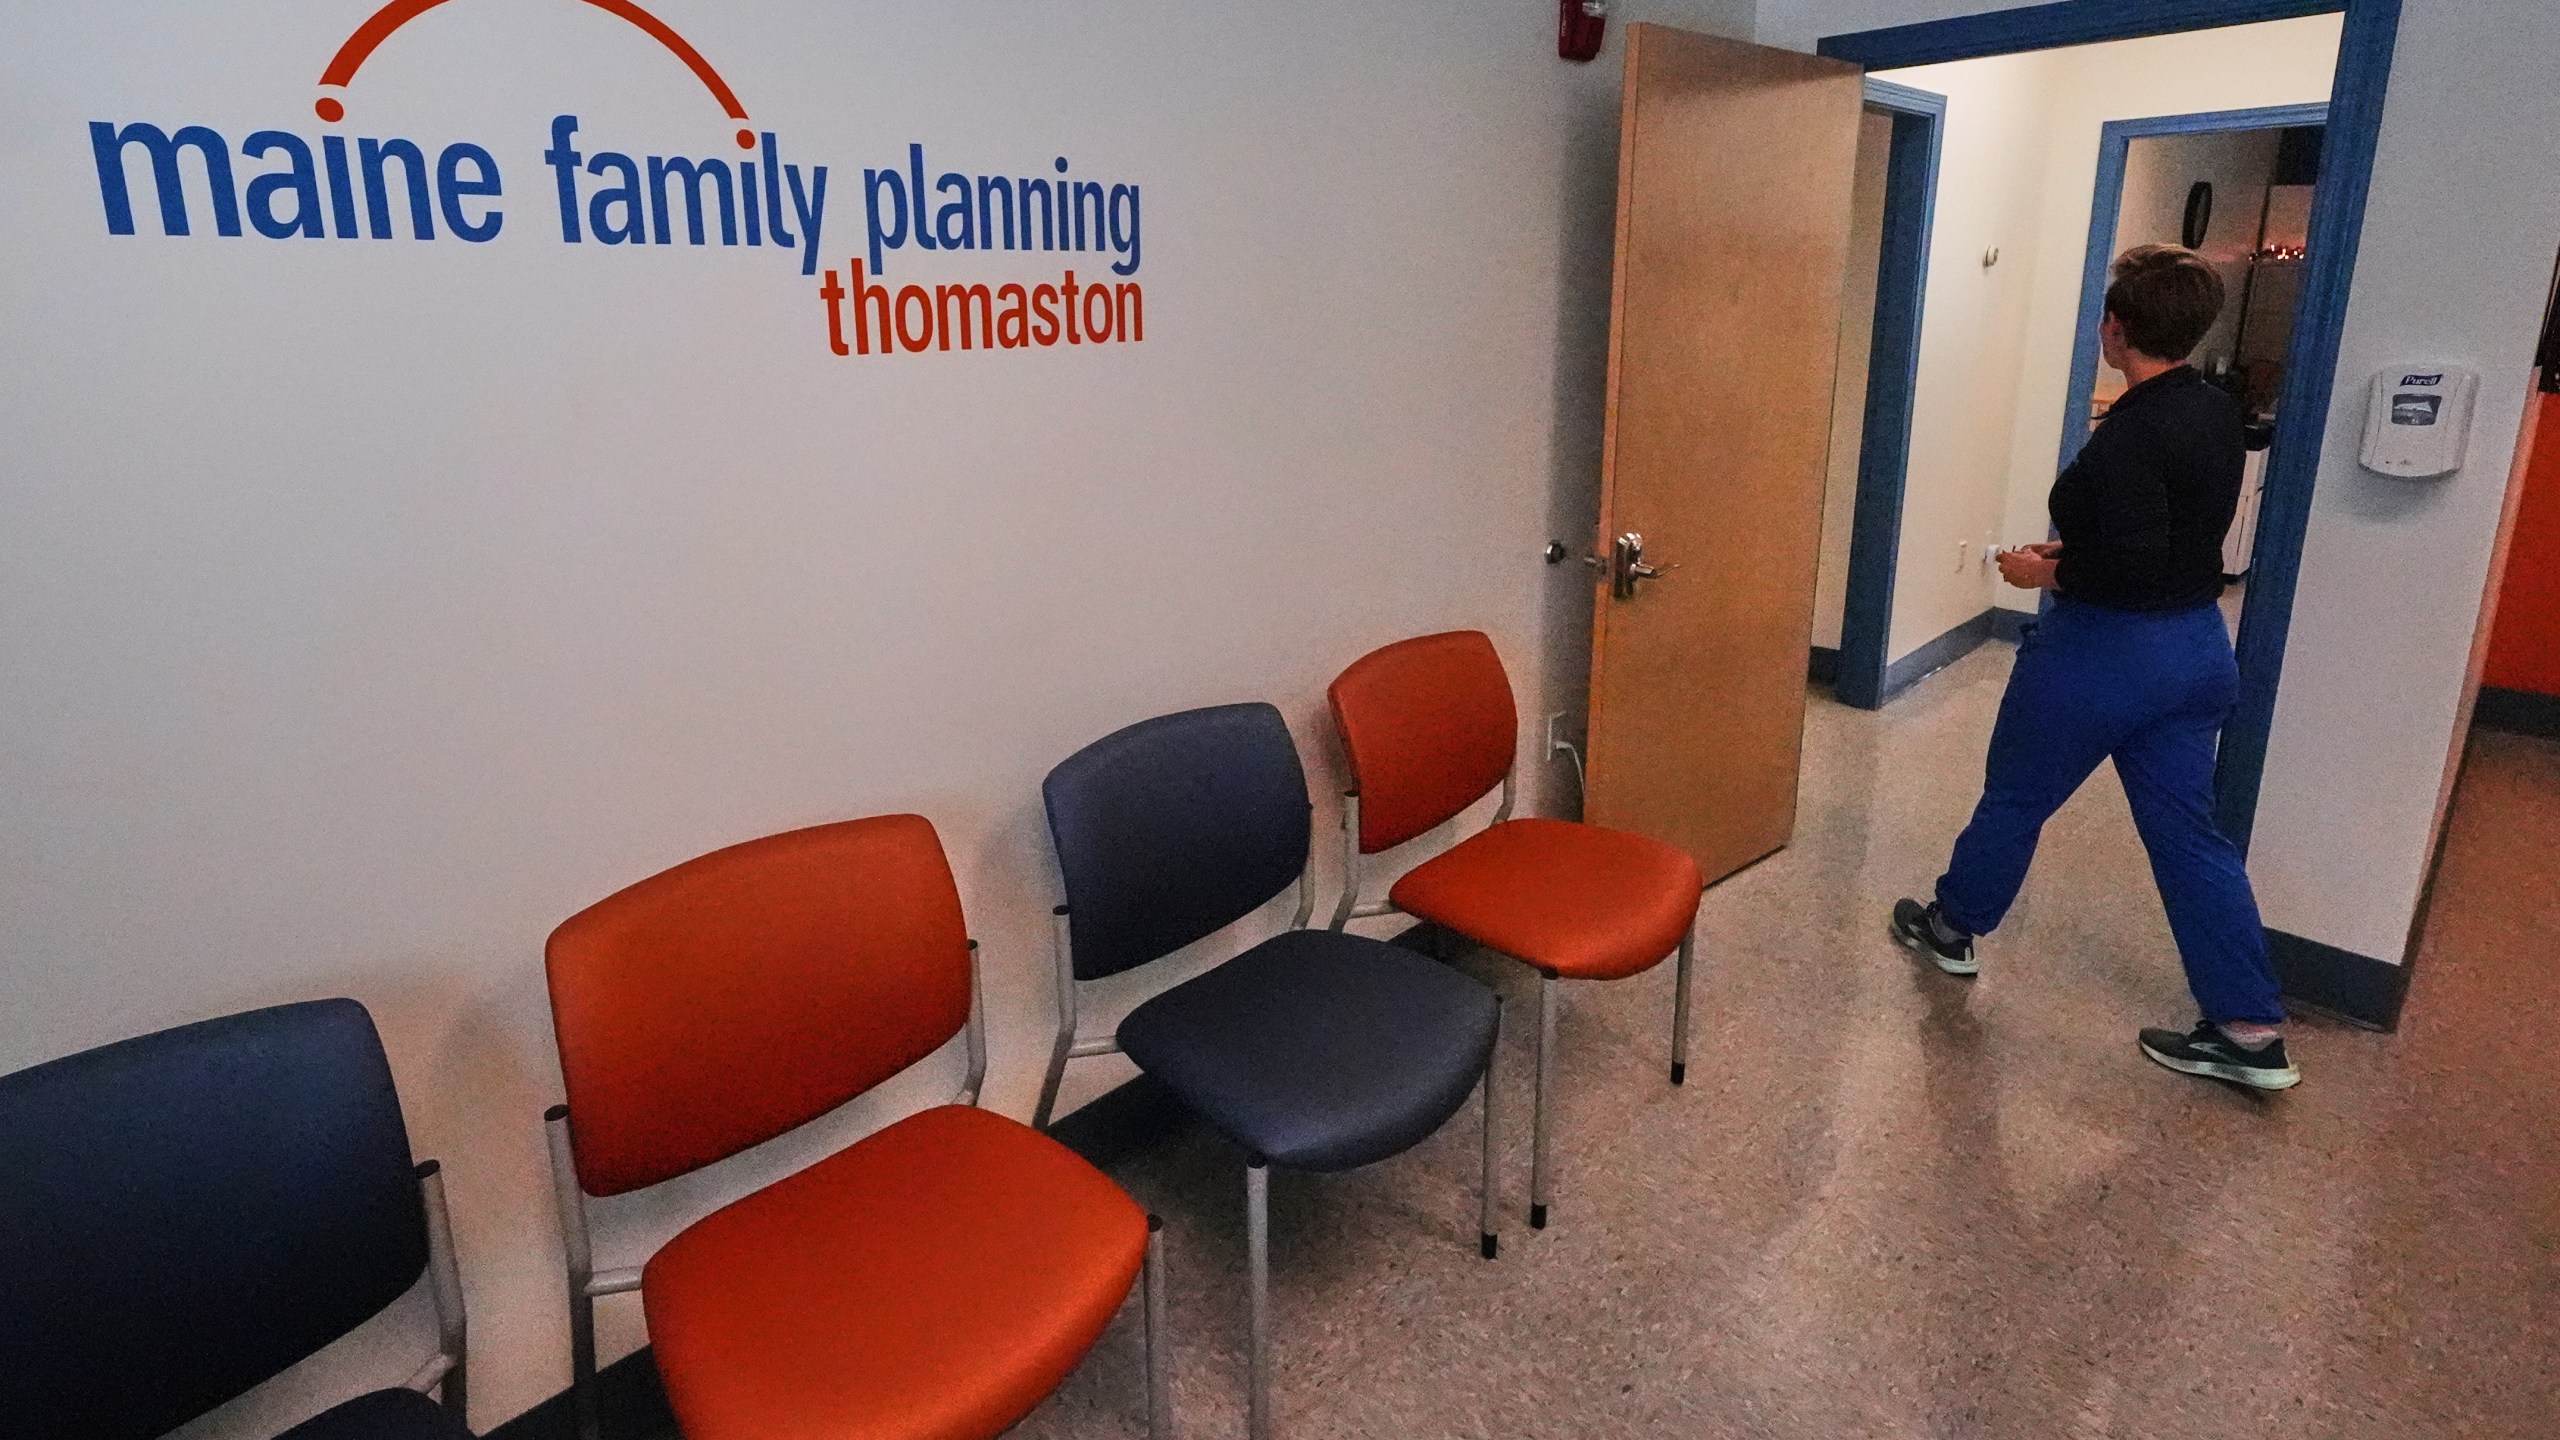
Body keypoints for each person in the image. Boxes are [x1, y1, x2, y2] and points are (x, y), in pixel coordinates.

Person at [1890, 244, 2298, 1091]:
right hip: (2196, 651)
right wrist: (2076, 552)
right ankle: (2249, 1030)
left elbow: (2130, 564)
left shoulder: (2128, 437)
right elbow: (2171, 534)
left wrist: (2043, 573)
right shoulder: (2214, 409)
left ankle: (1953, 929)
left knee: (2017, 797)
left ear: (2116, 329)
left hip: (2105, 656)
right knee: (2191, 837)